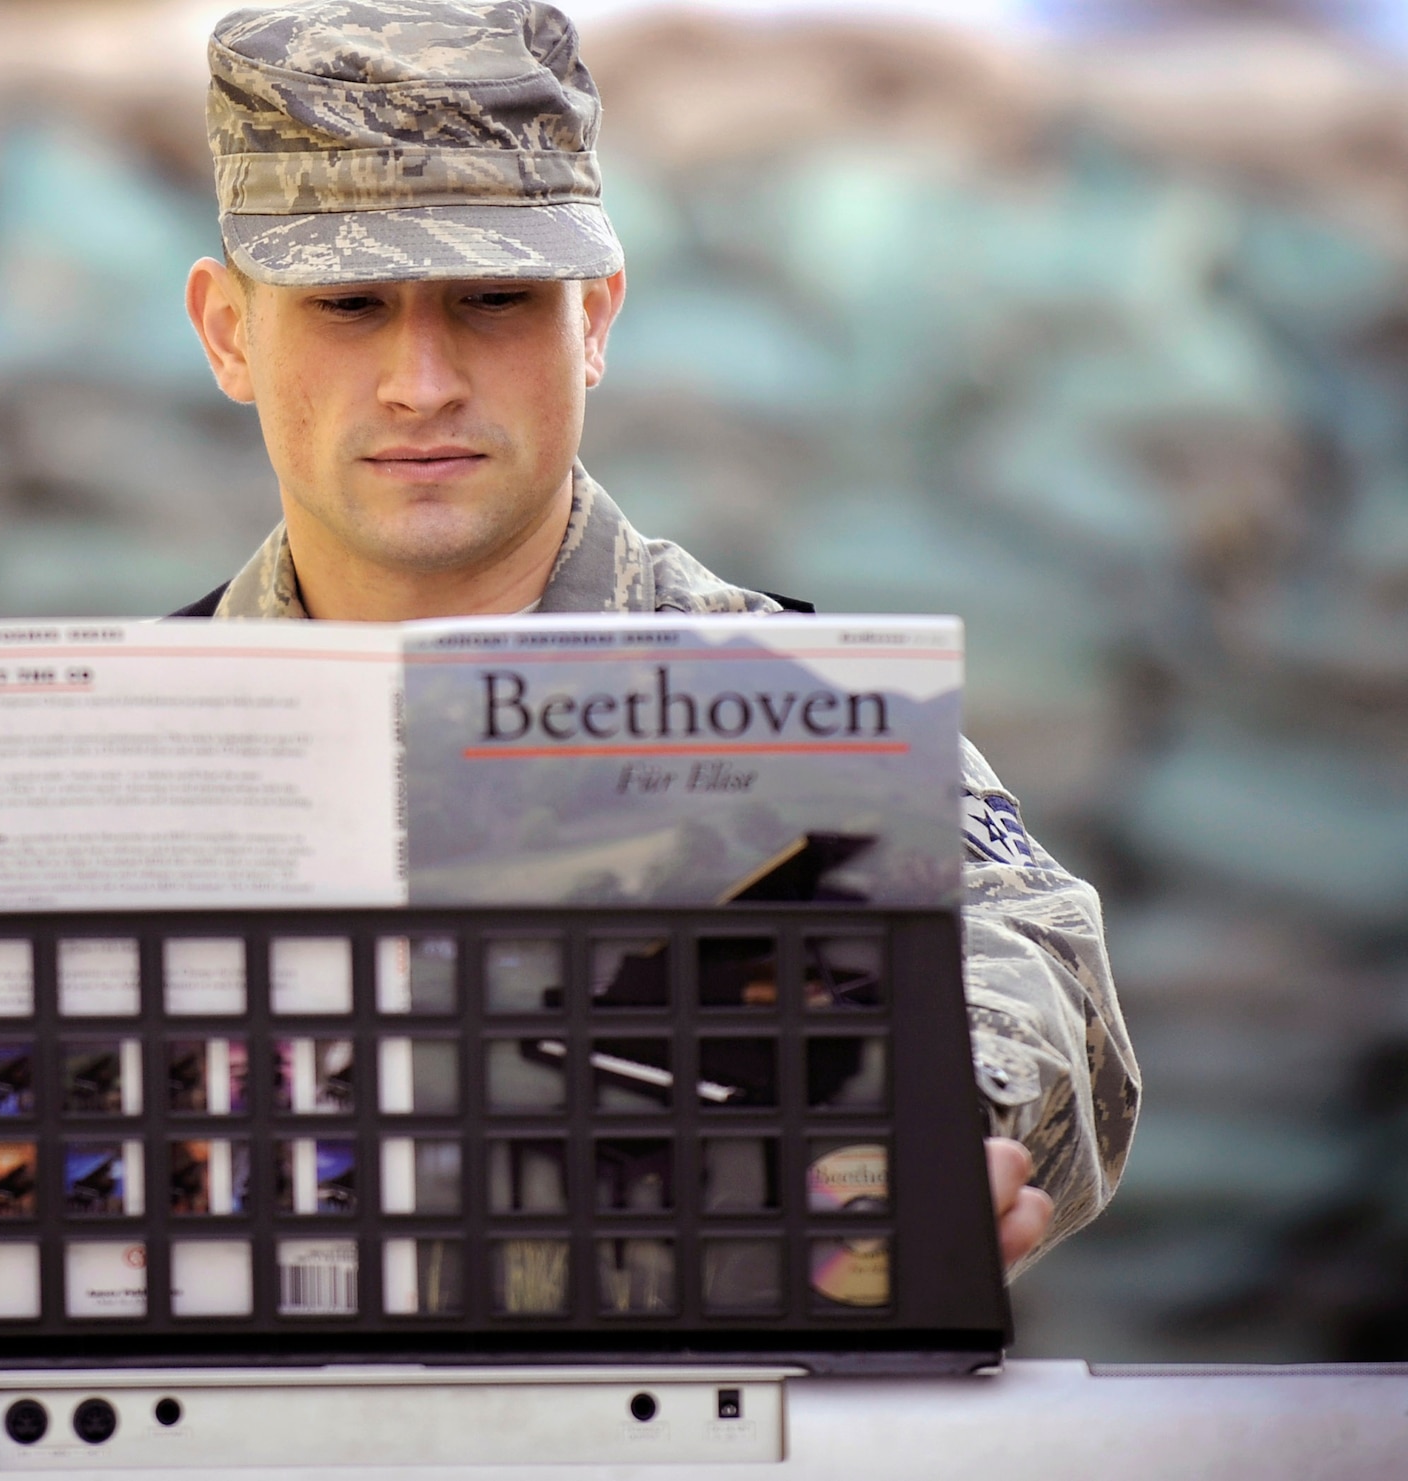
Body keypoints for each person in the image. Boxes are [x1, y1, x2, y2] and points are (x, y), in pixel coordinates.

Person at [177, 0, 1138, 1273]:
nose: (421, 381)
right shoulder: (133, 725)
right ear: (229, 331)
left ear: (596, 320)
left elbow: (1022, 958)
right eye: (349, 303)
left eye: (494, 300)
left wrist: (932, 1121)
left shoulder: (770, 696)